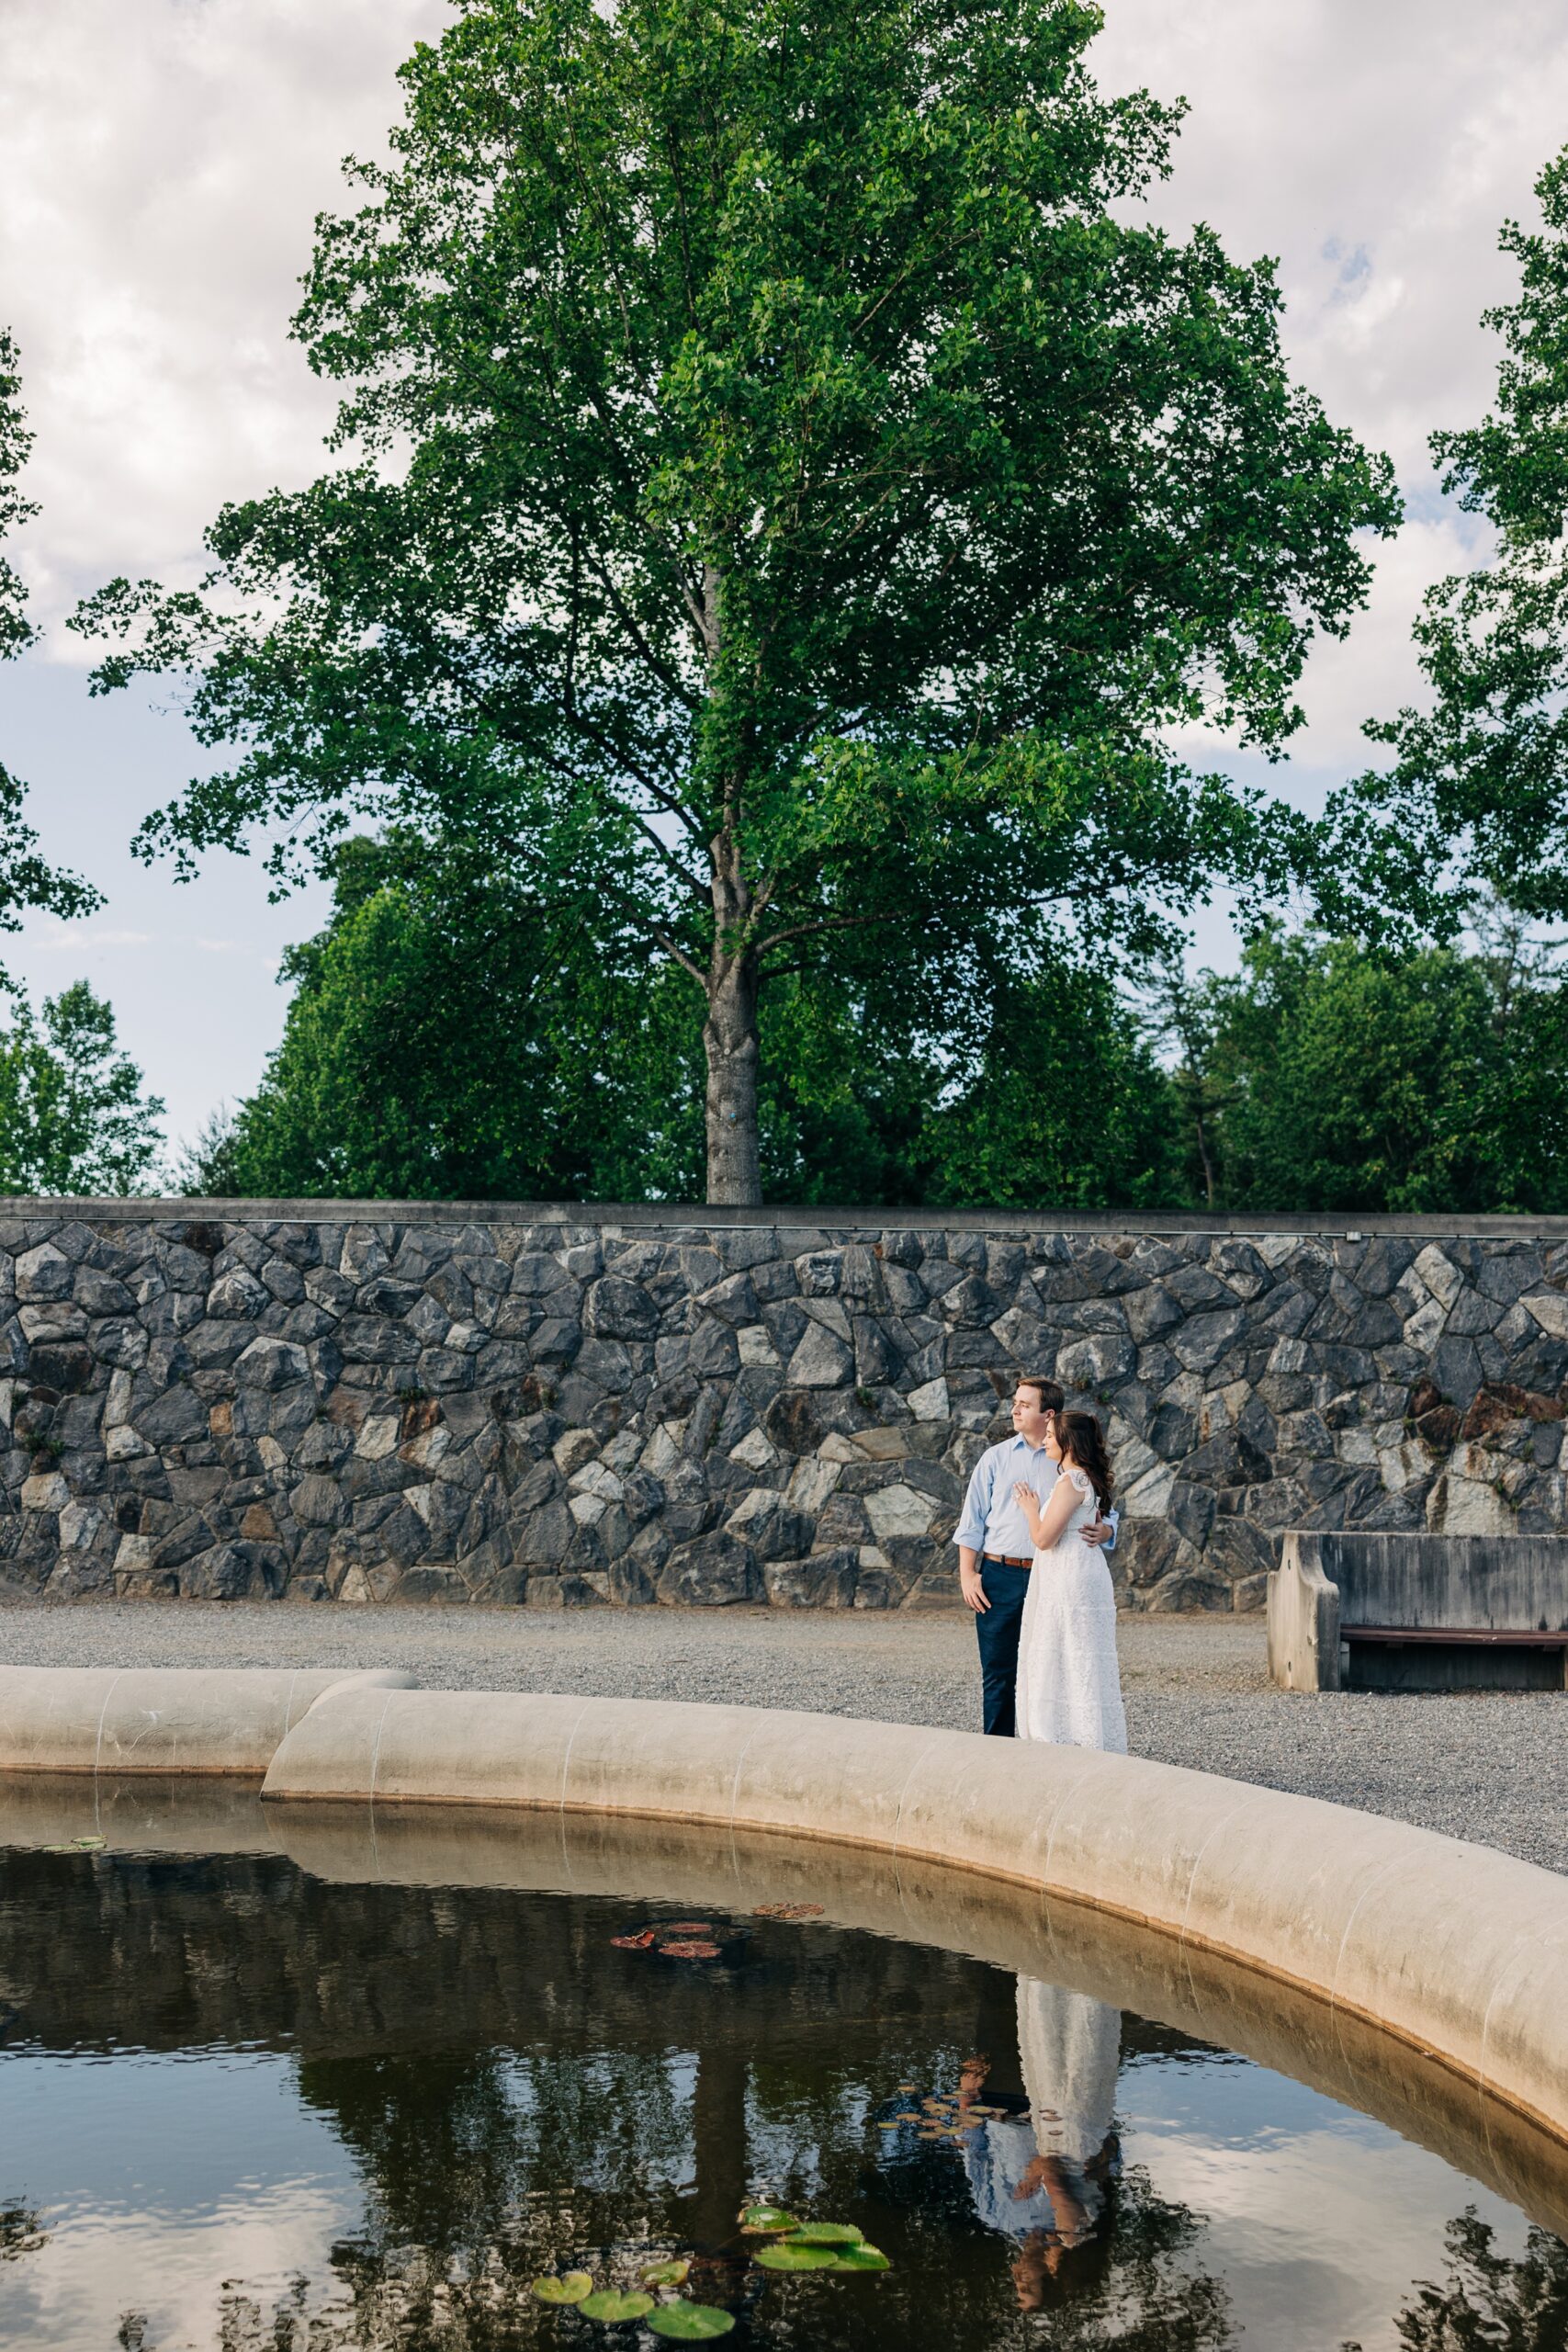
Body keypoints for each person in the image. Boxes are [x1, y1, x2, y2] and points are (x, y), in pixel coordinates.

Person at [953, 1377, 1117, 1737]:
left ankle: (1049, 1746)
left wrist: (1106, 1532)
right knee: (998, 1671)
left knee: (1047, 1667)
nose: (1014, 1409)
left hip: (1053, 1579)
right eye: (1015, 1403)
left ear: (1049, 1414)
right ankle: (998, 1753)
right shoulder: (994, 1458)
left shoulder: (1068, 1460)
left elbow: (1103, 1511)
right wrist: (968, 1574)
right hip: (1001, 1575)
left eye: (1024, 1405)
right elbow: (972, 1521)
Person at [1010, 1408, 1127, 1752]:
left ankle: (1064, 1736)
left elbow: (1044, 1539)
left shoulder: (1072, 1480)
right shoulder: (1084, 1479)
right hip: (1076, 1572)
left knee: (1064, 1650)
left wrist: (1030, 1508)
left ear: (1068, 1441)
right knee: (1078, 1653)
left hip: (1069, 1578)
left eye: (1050, 1435)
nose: (1045, 1440)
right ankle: (1085, 1733)